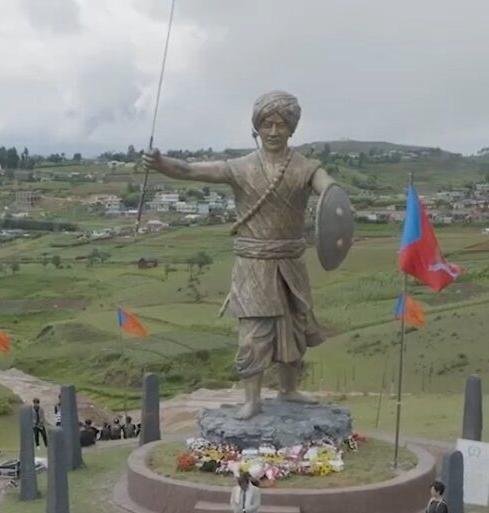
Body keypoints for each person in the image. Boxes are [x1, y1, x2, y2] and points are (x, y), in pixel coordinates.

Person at [143, 90, 350, 420]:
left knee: (293, 331)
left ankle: (288, 389)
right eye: (267, 124)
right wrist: (162, 163)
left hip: (290, 264)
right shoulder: (241, 167)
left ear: (292, 128)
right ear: (257, 126)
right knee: (253, 335)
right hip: (253, 265)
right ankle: (252, 399)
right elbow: (192, 170)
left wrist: (332, 195)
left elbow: (329, 188)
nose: (273, 131)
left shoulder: (306, 167)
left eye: (281, 124)